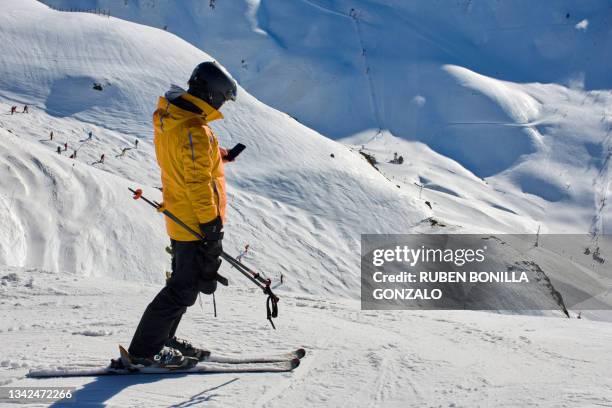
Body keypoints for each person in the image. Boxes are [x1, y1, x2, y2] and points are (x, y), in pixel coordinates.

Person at [127, 61, 237, 369]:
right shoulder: (195, 130)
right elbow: (199, 181)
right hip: (194, 222)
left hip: (180, 215)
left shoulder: (173, 118)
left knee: (182, 285)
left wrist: (220, 154)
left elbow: (185, 157)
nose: (224, 104)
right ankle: (144, 352)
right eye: (224, 98)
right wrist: (211, 225)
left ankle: (161, 339)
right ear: (213, 96)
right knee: (182, 290)